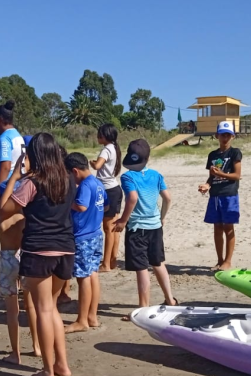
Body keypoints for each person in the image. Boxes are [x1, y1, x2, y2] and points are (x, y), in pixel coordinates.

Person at [1, 133, 75, 376]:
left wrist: (15, 177)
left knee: (43, 309)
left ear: (33, 155)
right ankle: (62, 364)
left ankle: (48, 371)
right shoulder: (69, 180)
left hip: (39, 249)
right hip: (65, 248)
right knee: (51, 307)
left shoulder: (33, 182)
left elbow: (5, 209)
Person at [114, 139, 177, 319]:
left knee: (141, 268)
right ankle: (170, 299)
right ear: (147, 158)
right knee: (158, 263)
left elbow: (132, 198)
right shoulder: (156, 175)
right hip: (155, 226)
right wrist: (162, 217)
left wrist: (123, 220)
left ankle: (143, 308)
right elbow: (168, 198)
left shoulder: (127, 177)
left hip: (137, 228)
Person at [0, 179, 40, 364]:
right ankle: (37, 346)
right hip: (24, 257)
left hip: (6, 260)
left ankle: (15, 353)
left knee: (12, 310)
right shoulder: (24, 218)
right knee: (31, 307)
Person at [63, 153, 107, 333]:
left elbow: (81, 206)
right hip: (96, 233)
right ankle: (92, 316)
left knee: (83, 278)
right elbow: (106, 205)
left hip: (83, 236)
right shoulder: (98, 183)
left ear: (75, 171)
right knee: (92, 274)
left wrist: (67, 202)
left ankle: (82, 320)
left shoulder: (86, 185)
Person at [0, 100, 26, 281]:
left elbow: (5, 166)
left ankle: (11, 275)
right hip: (18, 185)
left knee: (6, 232)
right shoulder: (18, 136)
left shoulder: (4, 138)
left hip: (6, 187)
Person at [197, 121, 242, 271]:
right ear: (217, 135)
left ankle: (228, 261)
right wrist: (207, 185)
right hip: (215, 195)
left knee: (228, 228)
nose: (225, 137)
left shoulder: (235, 153)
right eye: (222, 134)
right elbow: (211, 176)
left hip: (229, 194)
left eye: (228, 135)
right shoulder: (213, 155)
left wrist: (220, 174)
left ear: (233, 136)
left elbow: (236, 175)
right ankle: (220, 260)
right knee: (217, 228)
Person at [90, 124, 122, 272]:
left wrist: (93, 163)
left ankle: (106, 264)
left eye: (100, 135)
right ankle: (112, 260)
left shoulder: (106, 149)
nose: (98, 137)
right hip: (115, 188)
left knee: (108, 228)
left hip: (107, 190)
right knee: (114, 228)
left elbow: (97, 167)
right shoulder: (115, 148)